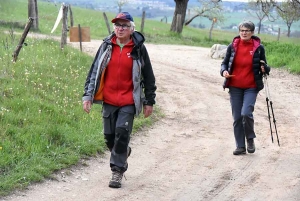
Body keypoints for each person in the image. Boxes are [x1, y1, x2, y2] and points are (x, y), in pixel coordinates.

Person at [82, 11, 156, 188]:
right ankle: (123, 152)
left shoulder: (138, 49)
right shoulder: (107, 46)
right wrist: (88, 95)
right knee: (109, 137)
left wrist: (149, 101)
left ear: (131, 29)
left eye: (124, 25)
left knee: (122, 134)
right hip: (108, 99)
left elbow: (148, 77)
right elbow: (94, 72)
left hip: (128, 101)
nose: (120, 28)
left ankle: (117, 171)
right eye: (117, 25)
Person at [220, 21, 270, 155]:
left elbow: (266, 66)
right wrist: (224, 71)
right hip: (235, 86)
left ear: (252, 32)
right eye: (242, 30)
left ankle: (250, 138)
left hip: (251, 87)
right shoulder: (233, 46)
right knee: (237, 117)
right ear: (239, 31)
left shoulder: (259, 48)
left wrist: (264, 68)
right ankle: (240, 146)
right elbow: (224, 64)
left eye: (247, 30)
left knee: (246, 113)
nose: (244, 33)